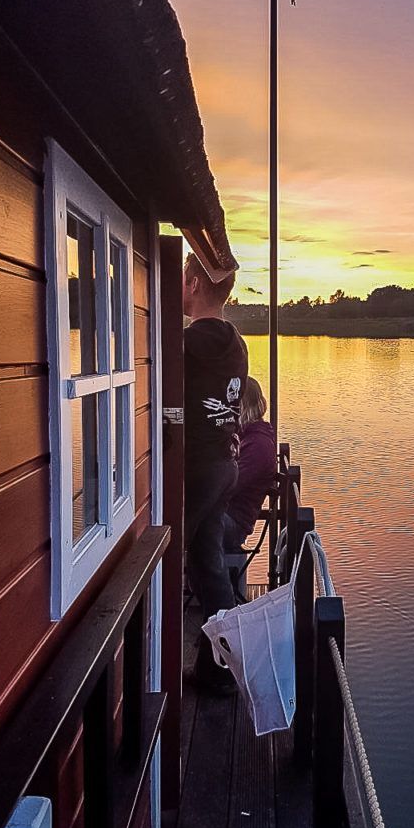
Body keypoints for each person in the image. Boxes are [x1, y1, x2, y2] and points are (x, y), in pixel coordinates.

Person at [183, 252, 248, 687]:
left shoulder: (187, 343)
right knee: (208, 565)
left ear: (192, 285)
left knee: (168, 560)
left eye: (182, 279)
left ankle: (165, 665)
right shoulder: (236, 342)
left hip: (198, 468)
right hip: (226, 463)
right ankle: (220, 669)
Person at [223, 376, 277, 552]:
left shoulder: (258, 445)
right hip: (225, 516)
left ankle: (215, 580)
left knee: (190, 521)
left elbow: (230, 486)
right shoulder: (246, 437)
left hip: (233, 523)